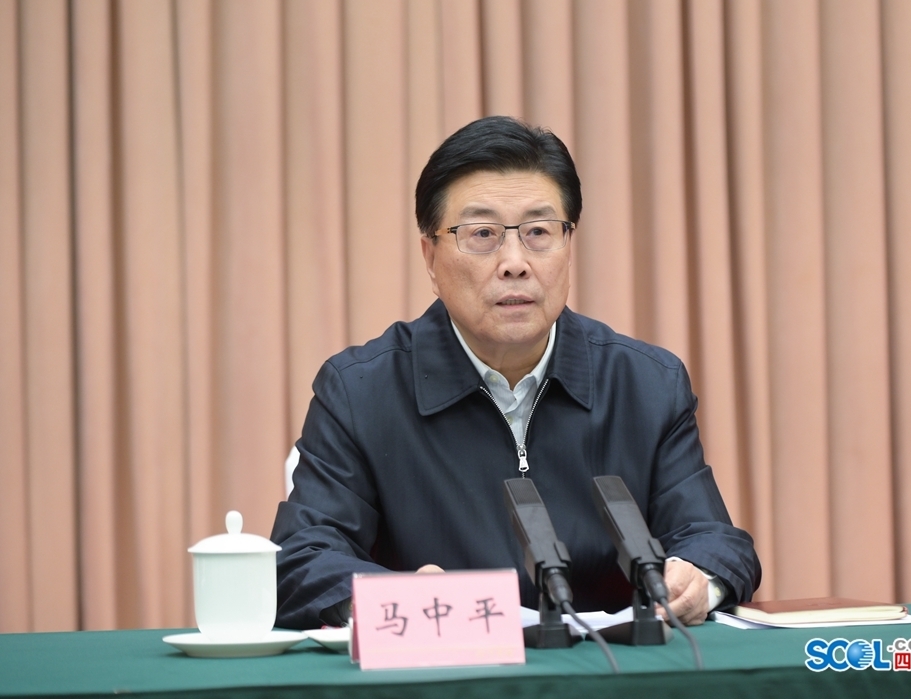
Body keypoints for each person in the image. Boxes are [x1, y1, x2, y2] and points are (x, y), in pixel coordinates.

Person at [270, 116, 760, 630]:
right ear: (430, 257)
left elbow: (714, 540)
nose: (514, 262)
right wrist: (396, 600)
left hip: (611, 663)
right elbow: (302, 558)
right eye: (482, 234)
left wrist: (698, 580)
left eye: (538, 232)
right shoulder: (360, 392)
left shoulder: (645, 384)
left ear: (568, 245)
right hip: (449, 662)